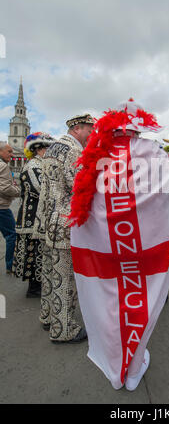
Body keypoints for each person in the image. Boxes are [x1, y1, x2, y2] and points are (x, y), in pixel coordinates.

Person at [69, 99, 169, 390]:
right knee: (140, 304)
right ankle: (133, 369)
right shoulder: (151, 153)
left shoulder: (96, 157)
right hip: (143, 253)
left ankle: (115, 365)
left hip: (107, 255)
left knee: (110, 306)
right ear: (138, 130)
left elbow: (83, 202)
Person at [35, 114, 94, 343]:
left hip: (49, 222)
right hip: (65, 225)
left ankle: (48, 316)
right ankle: (64, 329)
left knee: (50, 275)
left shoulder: (52, 149)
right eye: (90, 129)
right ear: (77, 128)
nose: (92, 135)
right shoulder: (73, 151)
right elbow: (80, 188)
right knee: (65, 279)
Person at [12, 132, 54, 297]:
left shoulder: (40, 165)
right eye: (47, 149)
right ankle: (34, 288)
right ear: (39, 149)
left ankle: (37, 286)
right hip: (31, 218)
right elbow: (40, 189)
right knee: (33, 253)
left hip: (38, 216)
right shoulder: (33, 166)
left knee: (38, 252)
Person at [0, 142, 21, 274]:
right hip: (2, 207)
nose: (12, 155)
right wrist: (19, 191)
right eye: (9, 152)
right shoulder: (3, 166)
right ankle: (10, 265)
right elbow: (5, 188)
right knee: (11, 235)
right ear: (1, 152)